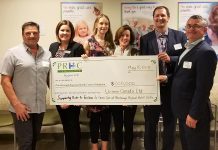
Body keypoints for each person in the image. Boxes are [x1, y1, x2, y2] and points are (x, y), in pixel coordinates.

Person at [140, 6, 187, 150]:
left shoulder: (180, 36)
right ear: (153, 18)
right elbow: (142, 63)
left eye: (163, 15)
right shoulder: (145, 39)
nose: (160, 18)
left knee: (170, 126)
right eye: (157, 16)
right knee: (149, 126)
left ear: (168, 17)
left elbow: (185, 61)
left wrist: (171, 59)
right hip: (152, 89)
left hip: (172, 88)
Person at [0, 21, 50, 150]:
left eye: (35, 33)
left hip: (39, 107)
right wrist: (17, 105)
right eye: (28, 33)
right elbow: (5, 81)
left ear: (39, 35)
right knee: (26, 143)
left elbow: (50, 80)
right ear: (23, 35)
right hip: (22, 108)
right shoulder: (12, 53)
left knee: (34, 141)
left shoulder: (47, 54)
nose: (32, 35)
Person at [171, 15, 217, 150]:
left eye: (196, 26)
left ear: (204, 30)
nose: (191, 29)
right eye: (189, 26)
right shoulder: (188, 48)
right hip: (184, 111)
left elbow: (203, 88)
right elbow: (183, 76)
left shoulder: (206, 52)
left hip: (194, 114)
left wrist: (194, 114)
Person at [49, 20, 85, 150]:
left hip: (73, 96)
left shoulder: (77, 47)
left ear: (72, 33)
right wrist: (57, 95)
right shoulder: (53, 47)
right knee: (65, 125)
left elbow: (81, 73)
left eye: (67, 30)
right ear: (58, 32)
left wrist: (70, 98)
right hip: (58, 95)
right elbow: (51, 71)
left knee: (73, 125)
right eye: (62, 30)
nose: (64, 33)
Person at [83, 14, 115, 150]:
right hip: (93, 87)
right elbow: (84, 65)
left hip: (108, 87)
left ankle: (105, 146)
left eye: (106, 24)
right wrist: (84, 58)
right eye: (101, 23)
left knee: (106, 119)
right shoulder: (88, 42)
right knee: (95, 119)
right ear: (96, 24)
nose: (103, 26)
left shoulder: (111, 43)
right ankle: (95, 146)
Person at [110, 25, 138, 150]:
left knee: (128, 125)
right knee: (117, 125)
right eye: (122, 35)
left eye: (127, 35)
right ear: (118, 36)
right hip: (115, 94)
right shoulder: (110, 51)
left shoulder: (135, 52)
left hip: (131, 94)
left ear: (130, 37)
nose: (124, 38)